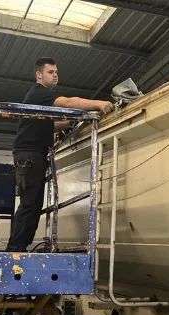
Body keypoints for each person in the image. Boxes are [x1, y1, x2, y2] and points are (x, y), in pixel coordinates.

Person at [6, 57, 114, 252]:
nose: (55, 75)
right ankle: (15, 249)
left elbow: (48, 126)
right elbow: (69, 102)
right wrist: (99, 103)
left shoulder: (40, 100)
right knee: (30, 203)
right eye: (50, 72)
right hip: (29, 155)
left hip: (31, 155)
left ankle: (19, 247)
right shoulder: (39, 93)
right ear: (39, 75)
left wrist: (71, 124)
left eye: (56, 72)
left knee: (34, 203)